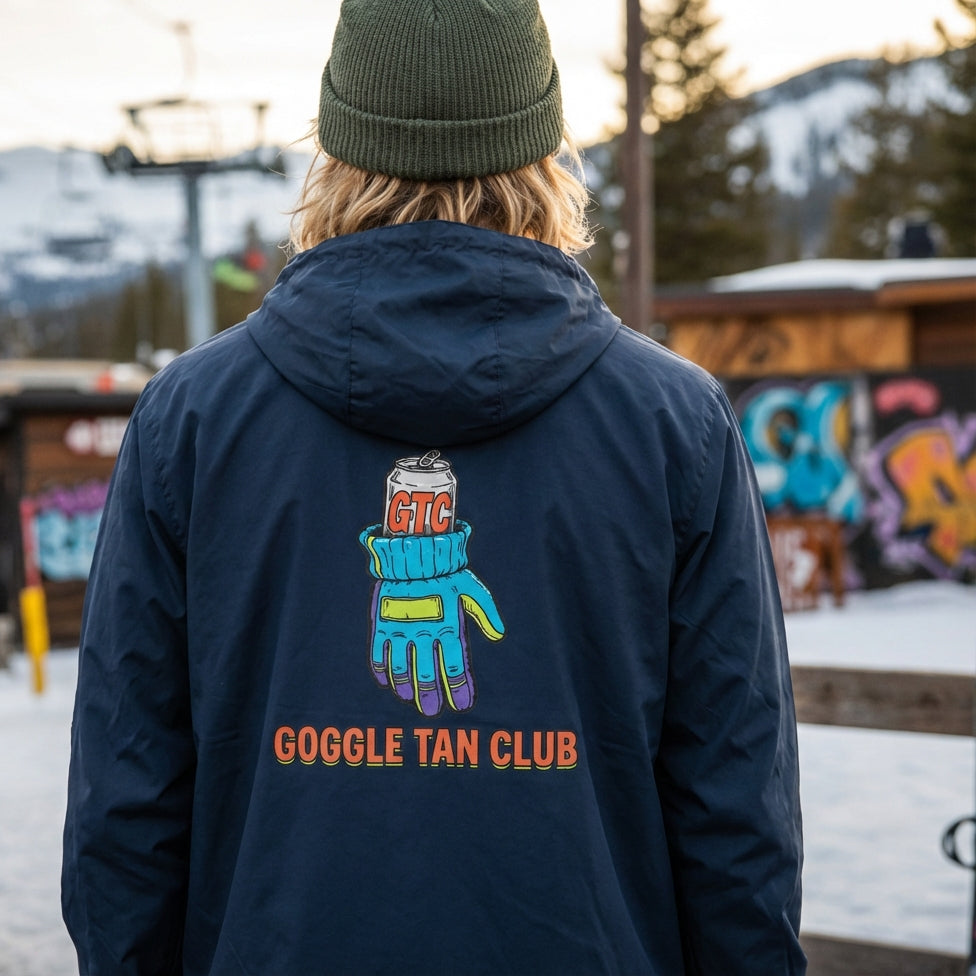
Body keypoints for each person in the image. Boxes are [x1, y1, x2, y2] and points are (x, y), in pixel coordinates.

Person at [62, 1, 805, 973]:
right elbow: (736, 814)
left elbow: (126, 813)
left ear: (334, 152)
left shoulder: (192, 420)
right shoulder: (674, 424)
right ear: (546, 154)